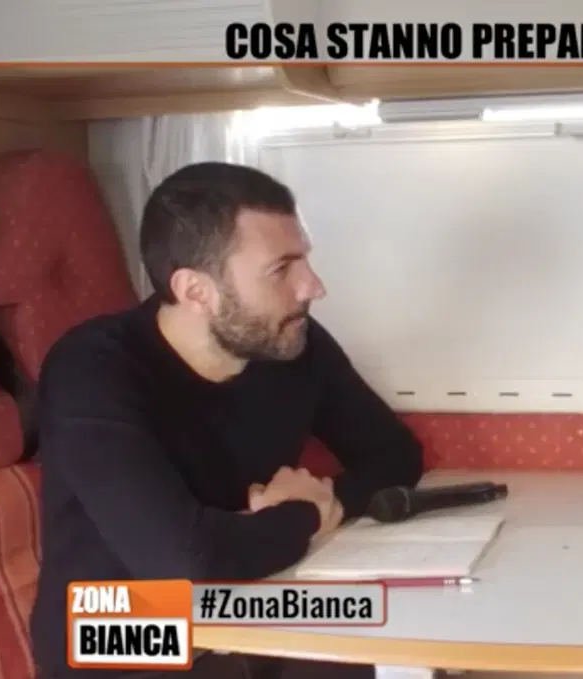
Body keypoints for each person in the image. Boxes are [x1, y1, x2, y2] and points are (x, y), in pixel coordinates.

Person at [29, 162, 425, 678]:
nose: (313, 286)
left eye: (305, 260)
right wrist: (304, 516)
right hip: (113, 628)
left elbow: (395, 454)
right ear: (196, 291)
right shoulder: (92, 368)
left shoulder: (287, 341)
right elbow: (184, 562)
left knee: (387, 630)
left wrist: (315, 505)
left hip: (244, 595)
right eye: (281, 270)